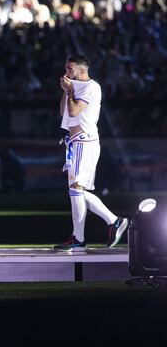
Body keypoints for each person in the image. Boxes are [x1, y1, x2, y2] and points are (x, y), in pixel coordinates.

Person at [54, 55, 128, 252]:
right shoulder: (75, 87)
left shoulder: (91, 87)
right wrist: (66, 92)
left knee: (76, 189)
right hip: (75, 143)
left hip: (85, 141)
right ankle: (114, 221)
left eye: (70, 69)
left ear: (82, 70)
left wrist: (70, 91)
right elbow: (64, 112)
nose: (66, 72)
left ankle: (79, 238)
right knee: (76, 191)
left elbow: (75, 110)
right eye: (66, 68)